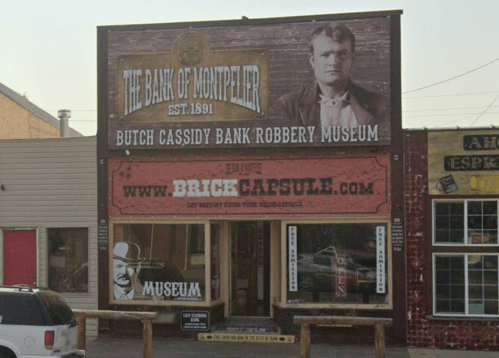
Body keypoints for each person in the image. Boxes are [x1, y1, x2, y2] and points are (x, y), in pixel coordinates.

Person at [272, 23, 389, 142]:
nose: (333, 62)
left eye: (342, 54)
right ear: (312, 60)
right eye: (325, 55)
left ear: (353, 58)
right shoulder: (287, 106)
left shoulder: (380, 106)